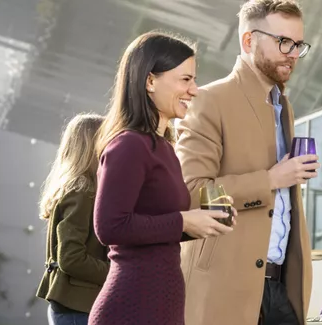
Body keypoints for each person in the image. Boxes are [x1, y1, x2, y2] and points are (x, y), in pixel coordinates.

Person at [174, 1, 315, 324]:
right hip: (225, 287)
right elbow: (191, 191)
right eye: (284, 42)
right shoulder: (209, 100)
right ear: (249, 41)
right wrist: (270, 180)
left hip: (281, 289)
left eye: (298, 45)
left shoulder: (283, 106)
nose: (293, 53)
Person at [89, 31, 234, 325]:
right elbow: (110, 227)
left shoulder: (164, 147)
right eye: (185, 79)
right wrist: (184, 220)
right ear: (150, 81)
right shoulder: (128, 145)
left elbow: (153, 227)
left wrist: (198, 224)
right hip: (132, 307)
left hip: (160, 303)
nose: (194, 90)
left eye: (194, 79)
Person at [35, 114, 107, 325]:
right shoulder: (82, 191)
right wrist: (116, 272)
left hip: (73, 306)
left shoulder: (74, 188)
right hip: (77, 308)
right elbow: (71, 258)